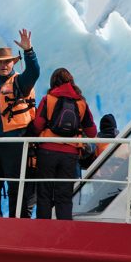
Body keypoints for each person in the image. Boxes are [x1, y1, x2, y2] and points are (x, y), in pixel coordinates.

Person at [0, 29, 39, 217]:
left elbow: (34, 72)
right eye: (0, 62)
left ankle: (17, 221)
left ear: (13, 63)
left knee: (16, 185)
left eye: (7, 62)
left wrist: (29, 51)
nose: (3, 65)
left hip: (16, 141)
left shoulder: (19, 83)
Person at [29, 68, 97, 220]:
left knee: (44, 193)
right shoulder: (81, 102)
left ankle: (43, 230)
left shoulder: (48, 98)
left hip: (47, 150)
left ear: (53, 82)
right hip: (70, 154)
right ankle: (63, 231)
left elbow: (38, 125)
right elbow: (92, 132)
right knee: (64, 196)